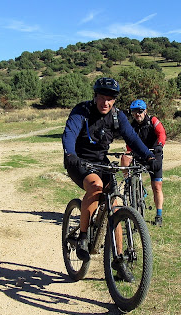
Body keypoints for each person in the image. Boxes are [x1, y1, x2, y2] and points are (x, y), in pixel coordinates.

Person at [62, 77, 160, 282]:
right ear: (95, 96)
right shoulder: (83, 111)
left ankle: (119, 261)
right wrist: (70, 154)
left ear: (114, 101)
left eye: (110, 99)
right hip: (78, 161)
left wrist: (149, 157)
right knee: (96, 187)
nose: (105, 103)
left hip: (100, 161)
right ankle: (82, 237)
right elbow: (70, 133)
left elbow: (132, 138)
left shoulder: (117, 116)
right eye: (102, 98)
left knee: (115, 204)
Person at [120, 99, 166, 227]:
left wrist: (160, 145)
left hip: (154, 153)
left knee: (157, 186)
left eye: (140, 111)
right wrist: (128, 153)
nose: (137, 114)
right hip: (139, 154)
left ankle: (159, 214)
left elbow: (162, 134)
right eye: (134, 112)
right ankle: (129, 182)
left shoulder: (153, 121)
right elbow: (129, 143)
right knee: (124, 158)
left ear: (145, 111)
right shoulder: (132, 126)